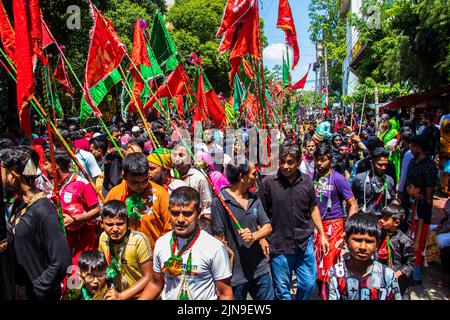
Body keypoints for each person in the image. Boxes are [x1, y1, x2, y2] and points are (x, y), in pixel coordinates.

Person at [258, 142, 329, 300]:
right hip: (278, 245)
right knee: (282, 290)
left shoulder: (307, 182)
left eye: (290, 162)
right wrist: (261, 237)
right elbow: (260, 213)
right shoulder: (268, 183)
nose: (285, 166)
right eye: (282, 162)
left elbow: (313, 208)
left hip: (304, 243)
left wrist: (322, 234)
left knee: (309, 284)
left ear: (298, 162)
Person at [139, 187, 234, 300]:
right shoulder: (161, 243)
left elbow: (225, 293)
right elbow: (155, 283)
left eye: (187, 214)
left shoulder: (214, 247)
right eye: (175, 213)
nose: (180, 219)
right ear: (169, 211)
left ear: (198, 212)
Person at [1, 147, 71, 300]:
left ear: (13, 176)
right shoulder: (19, 204)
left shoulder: (44, 211)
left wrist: (36, 289)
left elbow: (61, 261)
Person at [212, 161, 273, 300]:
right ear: (242, 177)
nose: (255, 177)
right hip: (236, 275)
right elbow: (219, 238)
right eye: (253, 174)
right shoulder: (219, 202)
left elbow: (267, 226)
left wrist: (255, 235)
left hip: (260, 269)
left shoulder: (254, 198)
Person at [322, 214, 402, 300]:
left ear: (377, 245)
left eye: (369, 241)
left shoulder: (387, 275)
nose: (363, 247)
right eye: (357, 240)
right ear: (346, 240)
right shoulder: (334, 275)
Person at [43, 149, 100, 266]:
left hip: (83, 238)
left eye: (46, 163)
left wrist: (75, 219)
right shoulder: (52, 185)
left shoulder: (81, 183)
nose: (44, 167)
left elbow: (97, 210)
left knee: (79, 269)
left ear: (56, 166)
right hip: (63, 238)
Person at [312, 143, 358, 283]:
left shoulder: (338, 179)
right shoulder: (311, 177)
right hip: (315, 226)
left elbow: (353, 205)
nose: (319, 163)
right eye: (317, 159)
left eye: (323, 159)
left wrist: (347, 229)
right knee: (316, 261)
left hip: (334, 226)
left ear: (330, 160)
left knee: (330, 262)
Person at [106, 153, 171, 248]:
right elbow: (106, 223)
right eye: (135, 182)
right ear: (124, 176)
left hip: (153, 254)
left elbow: (169, 227)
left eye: (144, 181)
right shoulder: (115, 194)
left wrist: (159, 249)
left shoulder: (161, 194)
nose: (141, 185)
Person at [98, 200, 153, 299]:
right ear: (101, 224)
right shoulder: (103, 238)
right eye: (109, 225)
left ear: (128, 222)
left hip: (140, 295)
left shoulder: (139, 240)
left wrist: (122, 296)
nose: (115, 229)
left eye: (120, 224)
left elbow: (149, 276)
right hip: (117, 294)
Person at [171, 144, 213, 232]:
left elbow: (207, 207)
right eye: (174, 155)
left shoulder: (198, 178)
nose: (177, 159)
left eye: (181, 155)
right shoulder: (169, 175)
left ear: (190, 157)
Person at [377, 204, 415, 297]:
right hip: (382, 275)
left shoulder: (404, 241)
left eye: (385, 219)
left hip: (398, 280)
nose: (381, 220)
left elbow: (411, 262)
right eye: (381, 217)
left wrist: (398, 274)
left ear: (396, 222)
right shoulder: (379, 234)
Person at [351, 147, 397, 216]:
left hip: (381, 221)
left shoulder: (389, 180)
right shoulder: (359, 179)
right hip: (363, 221)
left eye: (386, 165)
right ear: (371, 163)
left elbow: (393, 199)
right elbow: (351, 201)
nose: (383, 168)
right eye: (380, 165)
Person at [406, 175, 432, 286]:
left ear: (417, 189)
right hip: (416, 229)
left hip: (419, 231)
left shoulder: (421, 203)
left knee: (416, 253)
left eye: (410, 186)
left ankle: (417, 278)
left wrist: (416, 240)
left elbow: (421, 223)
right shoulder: (416, 200)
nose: (407, 188)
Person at [380, 117, 401, 183]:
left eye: (389, 123)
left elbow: (398, 141)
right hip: (385, 151)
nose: (388, 124)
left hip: (393, 153)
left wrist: (394, 147)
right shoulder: (387, 131)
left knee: (393, 167)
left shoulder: (395, 132)